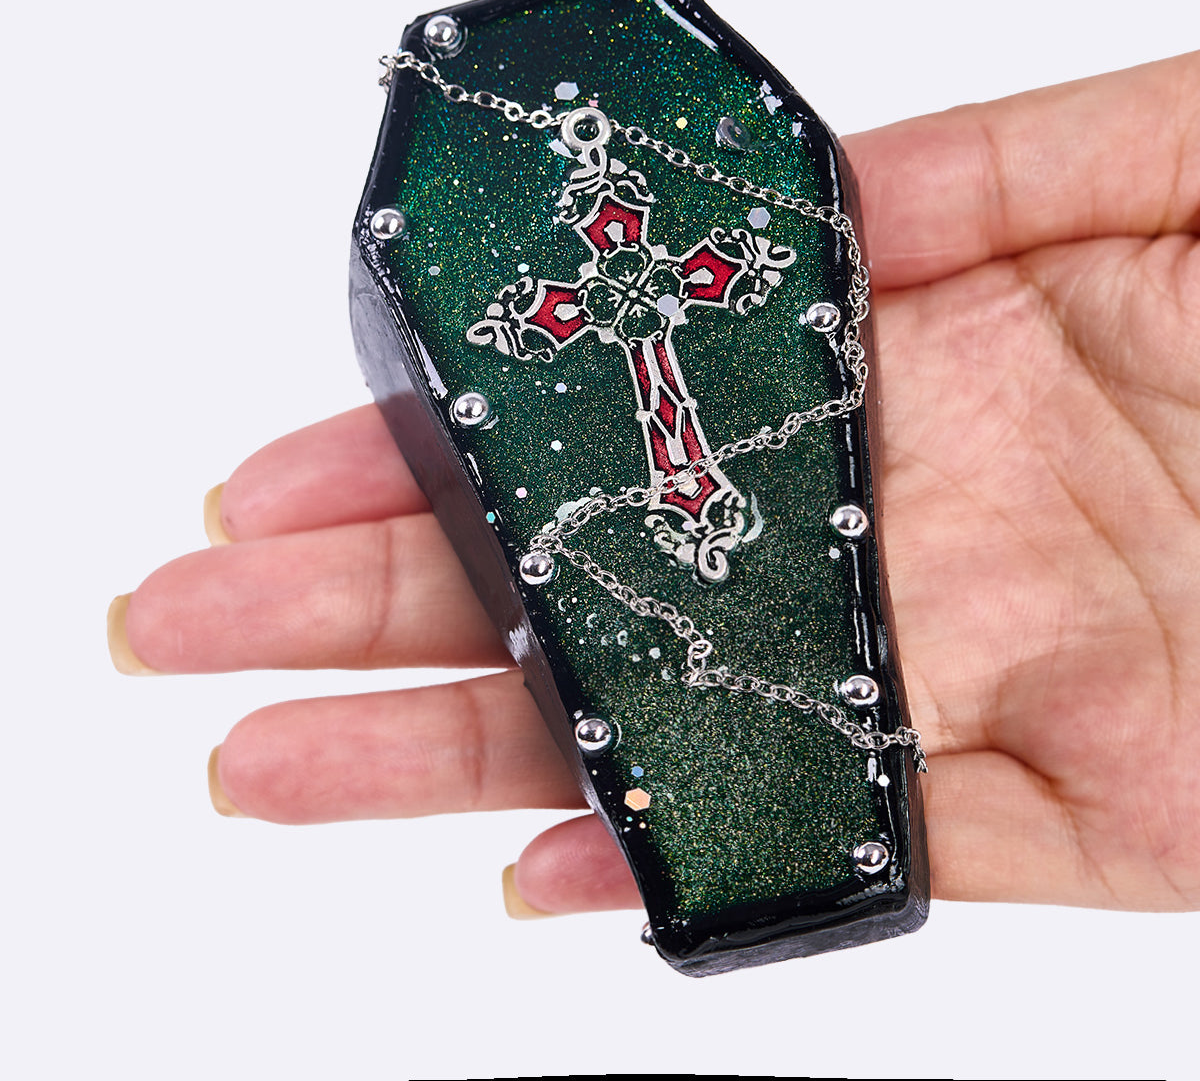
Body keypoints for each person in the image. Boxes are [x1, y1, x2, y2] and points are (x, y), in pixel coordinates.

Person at [107, 52, 1200, 919]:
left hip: (699, 485)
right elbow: (534, 320)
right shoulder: (496, 211)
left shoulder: (672, 224)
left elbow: (729, 269)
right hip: (669, 487)